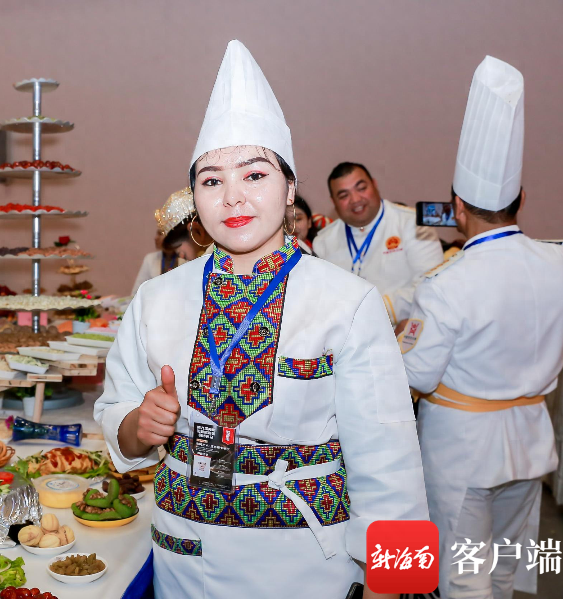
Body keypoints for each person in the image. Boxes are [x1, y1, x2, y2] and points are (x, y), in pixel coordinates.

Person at [95, 40, 428, 599]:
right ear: (194, 198)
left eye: (253, 175)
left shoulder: (347, 301)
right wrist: (138, 427)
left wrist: (395, 585)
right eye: (211, 181)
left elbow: (392, 464)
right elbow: (117, 413)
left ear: (289, 187)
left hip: (308, 561)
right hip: (185, 554)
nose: (232, 198)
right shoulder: (157, 297)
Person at [399, 56, 563, 599]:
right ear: (522, 202)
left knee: (462, 578)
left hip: (464, 450)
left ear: (458, 207)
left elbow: (416, 374)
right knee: (508, 565)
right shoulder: (557, 264)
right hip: (531, 441)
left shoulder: (448, 283)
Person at [313, 162, 443, 325]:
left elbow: (430, 288)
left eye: (361, 188)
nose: (355, 200)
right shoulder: (323, 242)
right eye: (344, 195)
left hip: (405, 332)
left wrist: (372, 311)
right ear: (334, 201)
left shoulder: (412, 224)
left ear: (374, 185)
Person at [132, 188, 203, 295]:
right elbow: (136, 294)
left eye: (161, 234)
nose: (156, 238)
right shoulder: (151, 259)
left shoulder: (204, 259)